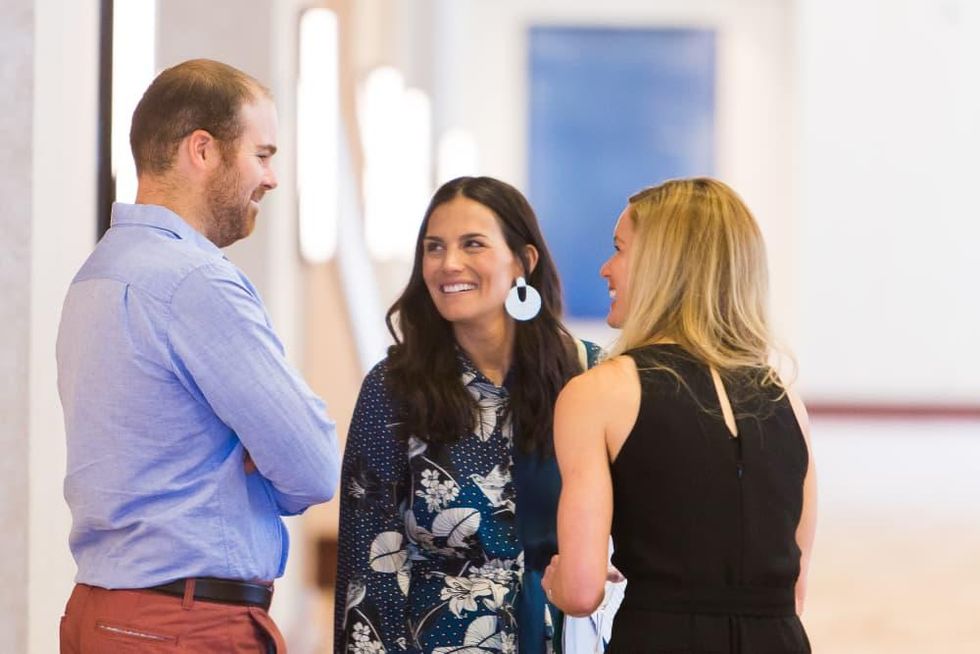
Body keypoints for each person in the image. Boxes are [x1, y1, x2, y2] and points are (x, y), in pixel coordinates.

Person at [57, 59, 340, 653]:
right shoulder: (194, 282)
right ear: (203, 149)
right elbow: (313, 465)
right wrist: (251, 450)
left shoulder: (99, 272)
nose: (272, 178)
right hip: (182, 626)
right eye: (262, 155)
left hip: (102, 612)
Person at [542, 178, 817, 653]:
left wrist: (556, 581)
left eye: (619, 249)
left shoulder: (597, 393)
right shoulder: (786, 398)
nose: (606, 269)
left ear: (663, 265)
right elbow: (794, 590)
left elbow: (583, 591)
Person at [334, 176, 607, 654]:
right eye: (434, 247)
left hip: (572, 639)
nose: (448, 264)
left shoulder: (588, 378)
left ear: (524, 261)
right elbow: (368, 567)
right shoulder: (394, 388)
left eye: (472, 244)